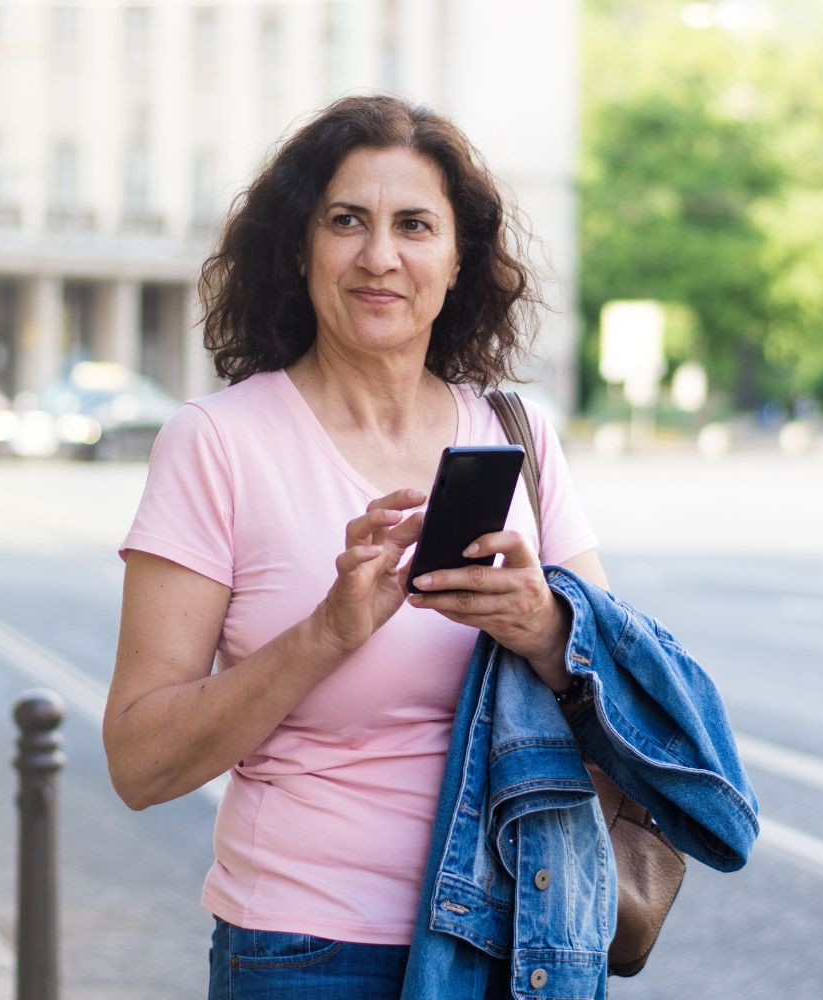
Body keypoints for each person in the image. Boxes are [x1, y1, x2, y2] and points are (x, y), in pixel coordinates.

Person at [103, 95, 611, 997]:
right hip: (307, 949)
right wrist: (327, 633)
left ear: (458, 261)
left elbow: (617, 704)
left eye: (415, 225)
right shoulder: (217, 443)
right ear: (301, 250)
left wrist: (542, 626)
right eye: (347, 222)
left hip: (517, 941)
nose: (381, 256)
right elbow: (141, 763)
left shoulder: (519, 435)